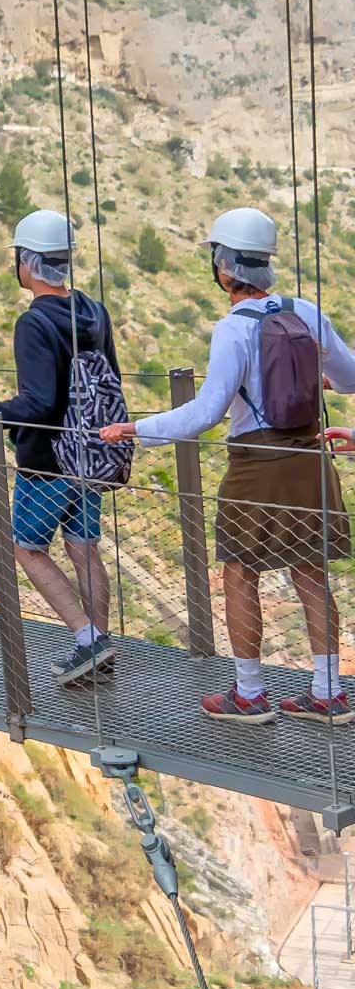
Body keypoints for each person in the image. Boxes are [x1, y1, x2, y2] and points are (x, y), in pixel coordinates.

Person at [101, 207, 355, 725]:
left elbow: (207, 412)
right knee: (310, 570)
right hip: (310, 458)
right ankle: (328, 693)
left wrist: (138, 429)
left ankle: (249, 694)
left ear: (223, 266)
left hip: (256, 463)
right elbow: (349, 377)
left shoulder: (232, 329)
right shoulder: (306, 312)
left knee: (240, 572)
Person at [0, 210, 121, 686]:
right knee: (84, 548)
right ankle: (97, 644)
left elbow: (37, 403)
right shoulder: (94, 311)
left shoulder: (34, 322)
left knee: (28, 548)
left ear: (27, 261)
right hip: (89, 453)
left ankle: (87, 639)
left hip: (47, 461)